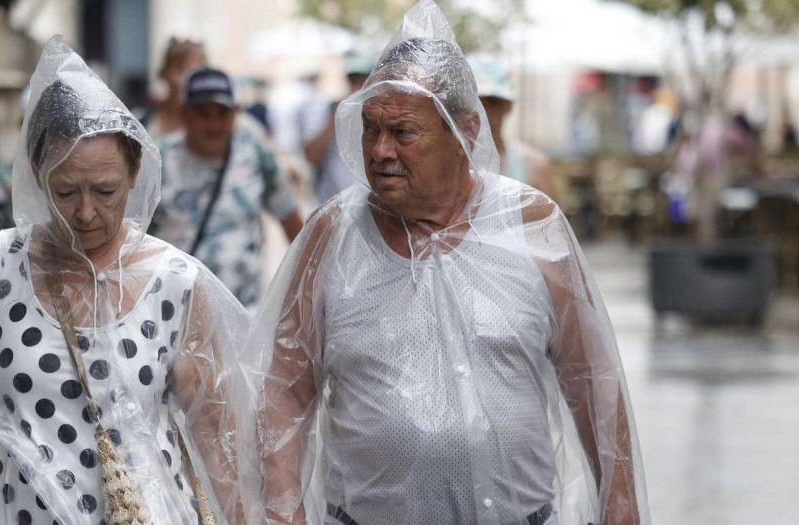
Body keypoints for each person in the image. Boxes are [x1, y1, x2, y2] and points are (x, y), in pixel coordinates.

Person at [237, 2, 649, 524]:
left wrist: (619, 502)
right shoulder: (332, 234)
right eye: (370, 128)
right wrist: (281, 509)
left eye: (404, 132)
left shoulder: (530, 223)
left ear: (466, 132)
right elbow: (280, 387)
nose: (381, 150)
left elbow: (593, 378)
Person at [0, 37, 252, 524]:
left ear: (136, 171)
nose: (87, 212)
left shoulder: (176, 282)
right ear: (36, 175)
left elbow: (216, 433)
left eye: (106, 190)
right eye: (66, 190)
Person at [149, 67, 304, 309]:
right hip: (168, 313)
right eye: (202, 113)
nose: (213, 124)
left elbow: (292, 220)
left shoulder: (255, 153)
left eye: (222, 113)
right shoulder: (155, 159)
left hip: (241, 315)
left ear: (235, 113)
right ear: (184, 114)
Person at [467, 53, 557, 200]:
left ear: (508, 106)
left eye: (493, 102)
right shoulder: (445, 167)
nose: (484, 111)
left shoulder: (534, 168)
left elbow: (552, 221)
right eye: (476, 102)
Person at [302, 53, 373, 204]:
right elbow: (310, 156)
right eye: (353, 81)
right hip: (334, 206)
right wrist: (334, 119)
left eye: (363, 81)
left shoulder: (380, 116)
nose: (357, 87)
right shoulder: (328, 111)